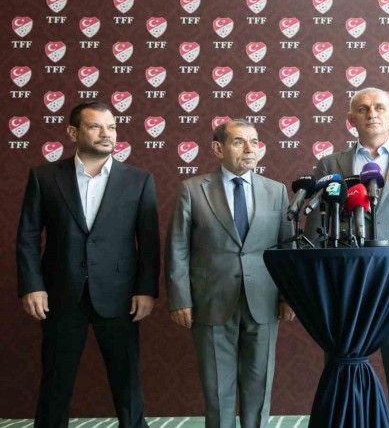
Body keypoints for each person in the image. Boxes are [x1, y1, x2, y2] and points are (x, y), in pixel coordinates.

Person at [304, 87, 389, 428]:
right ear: (350, 119)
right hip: (345, 282)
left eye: (380, 107)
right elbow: (314, 229)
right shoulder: (330, 164)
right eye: (363, 108)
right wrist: (315, 286)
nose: (372, 114)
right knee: (341, 365)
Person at [16, 101, 160, 428]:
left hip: (121, 295)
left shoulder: (138, 180)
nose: (106, 133)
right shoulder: (44, 177)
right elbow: (27, 236)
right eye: (95, 126)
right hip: (60, 293)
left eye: (112, 127)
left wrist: (146, 290)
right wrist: (32, 285)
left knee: (127, 381)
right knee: (55, 380)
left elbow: (149, 242)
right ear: (73, 132)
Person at [165, 119, 295, 428]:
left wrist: (288, 297)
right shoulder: (192, 189)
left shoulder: (276, 191)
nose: (250, 149)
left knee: (259, 383)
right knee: (216, 387)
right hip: (210, 300)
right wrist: (180, 298)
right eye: (239, 142)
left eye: (254, 141)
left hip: (263, 300)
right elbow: (178, 246)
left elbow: (286, 249)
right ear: (217, 148)